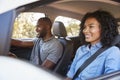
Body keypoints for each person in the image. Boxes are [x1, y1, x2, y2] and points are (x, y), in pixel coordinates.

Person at [65, 10, 120, 80]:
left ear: (104, 29)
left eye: (91, 26)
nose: (85, 31)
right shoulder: (81, 49)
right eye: (84, 27)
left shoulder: (112, 52)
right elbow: (70, 75)